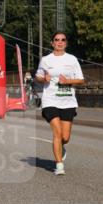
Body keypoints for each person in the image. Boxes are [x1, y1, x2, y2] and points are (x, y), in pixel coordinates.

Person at [35, 32, 84, 176]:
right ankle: (59, 165)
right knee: (57, 132)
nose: (60, 42)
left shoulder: (72, 59)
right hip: (50, 100)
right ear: (52, 43)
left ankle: (61, 147)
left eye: (63, 40)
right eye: (57, 40)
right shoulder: (45, 60)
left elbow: (80, 80)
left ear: (66, 43)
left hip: (68, 100)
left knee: (65, 137)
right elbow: (38, 76)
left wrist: (68, 81)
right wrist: (44, 78)